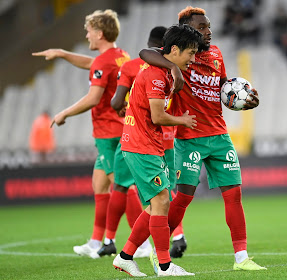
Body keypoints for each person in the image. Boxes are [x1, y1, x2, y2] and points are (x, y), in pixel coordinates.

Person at [139, 6, 266, 272]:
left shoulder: (217, 53)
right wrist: (173, 70)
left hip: (219, 135)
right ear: (188, 31)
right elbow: (146, 53)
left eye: (208, 26)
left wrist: (241, 99)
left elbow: (221, 87)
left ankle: (241, 258)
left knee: (234, 195)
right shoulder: (180, 55)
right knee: (183, 198)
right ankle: (158, 250)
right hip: (189, 137)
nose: (208, 32)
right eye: (202, 28)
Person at [32, 9, 141, 258]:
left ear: (100, 33)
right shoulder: (120, 55)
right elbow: (91, 63)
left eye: (89, 31)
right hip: (120, 127)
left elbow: (93, 98)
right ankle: (95, 241)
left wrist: (64, 113)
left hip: (108, 132)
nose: (87, 35)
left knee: (121, 186)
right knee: (100, 184)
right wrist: (61, 53)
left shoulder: (104, 61)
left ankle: (142, 241)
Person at [112, 24, 201, 277]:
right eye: (190, 54)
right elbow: (158, 115)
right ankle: (164, 265)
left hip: (146, 144)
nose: (192, 60)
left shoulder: (163, 71)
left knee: (155, 205)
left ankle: (125, 256)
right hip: (141, 146)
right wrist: (182, 120)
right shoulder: (155, 75)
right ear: (174, 50)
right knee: (162, 200)